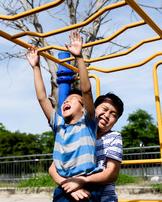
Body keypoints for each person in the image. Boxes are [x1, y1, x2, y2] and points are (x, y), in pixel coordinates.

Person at [26, 31, 102, 201]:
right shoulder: (58, 124)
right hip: (63, 187)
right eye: (65, 100)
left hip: (86, 184)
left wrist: (79, 57)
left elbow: (87, 91)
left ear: (83, 109)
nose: (66, 102)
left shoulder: (87, 123)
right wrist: (36, 67)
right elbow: (42, 98)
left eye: (73, 100)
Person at [49, 93, 124, 202]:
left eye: (113, 114)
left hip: (103, 198)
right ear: (91, 109)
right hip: (73, 194)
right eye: (104, 109)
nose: (107, 115)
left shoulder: (113, 137)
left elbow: (112, 173)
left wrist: (83, 180)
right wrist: (70, 187)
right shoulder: (77, 133)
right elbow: (53, 169)